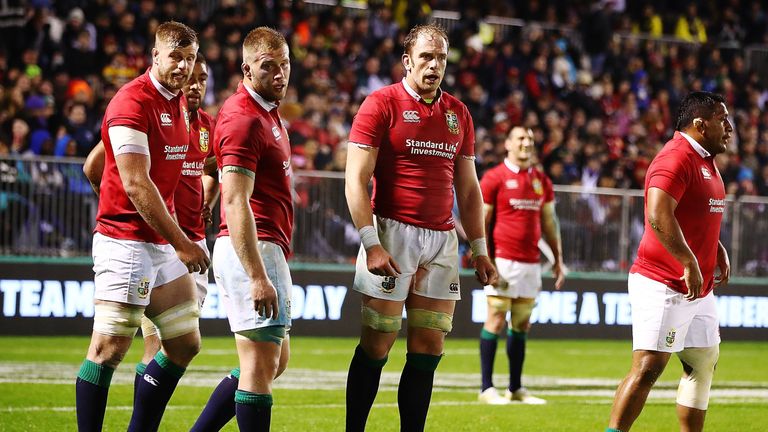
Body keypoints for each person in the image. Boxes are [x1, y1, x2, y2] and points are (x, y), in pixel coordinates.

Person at [344, 24, 497, 432]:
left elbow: (468, 190)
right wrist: (370, 243)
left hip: (442, 240)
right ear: (407, 61)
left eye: (441, 58)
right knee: (378, 344)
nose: (434, 65)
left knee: (429, 347)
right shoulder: (381, 104)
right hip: (391, 234)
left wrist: (479, 248)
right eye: (426, 57)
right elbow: (355, 180)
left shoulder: (458, 113)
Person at [74, 21, 210, 432]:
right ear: (155, 56)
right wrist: (182, 242)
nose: (184, 67)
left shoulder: (177, 105)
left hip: (160, 243)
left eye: (190, 58)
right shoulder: (132, 102)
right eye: (176, 57)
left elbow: (96, 163)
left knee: (185, 342)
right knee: (108, 348)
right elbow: (135, 182)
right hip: (127, 241)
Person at [607, 91, 732, 432]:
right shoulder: (675, 157)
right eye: (723, 120)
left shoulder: (704, 159)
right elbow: (658, 214)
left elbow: (692, 213)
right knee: (648, 366)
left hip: (697, 286)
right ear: (700, 124)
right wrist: (689, 260)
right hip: (664, 280)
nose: (730, 127)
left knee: (703, 360)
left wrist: (714, 246)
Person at [196, 26, 293, 431]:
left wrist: (204, 199)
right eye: (268, 66)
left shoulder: (262, 113)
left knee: (274, 362)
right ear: (247, 69)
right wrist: (256, 275)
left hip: (266, 247)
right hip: (254, 250)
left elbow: (214, 168)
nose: (280, 74)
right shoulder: (243, 119)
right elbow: (236, 200)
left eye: (285, 64)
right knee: (258, 367)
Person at [477, 125, 565, 405]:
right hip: (502, 259)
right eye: (521, 138)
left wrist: (558, 259)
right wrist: (485, 258)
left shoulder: (541, 180)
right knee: (496, 317)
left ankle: (515, 388)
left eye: (530, 137)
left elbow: (549, 223)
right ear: (507, 144)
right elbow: (482, 221)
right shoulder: (494, 178)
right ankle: (486, 388)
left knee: (522, 324)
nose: (527, 142)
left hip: (531, 263)